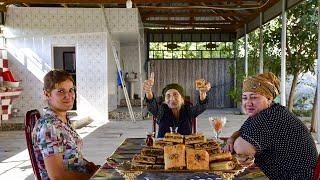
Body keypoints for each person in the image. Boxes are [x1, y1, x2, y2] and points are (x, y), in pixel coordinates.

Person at [223, 72, 318, 179]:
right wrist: (231, 139)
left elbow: (242, 149)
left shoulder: (271, 116)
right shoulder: (266, 112)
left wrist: (236, 142)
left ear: (269, 99)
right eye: (245, 98)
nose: (248, 102)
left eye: (254, 97)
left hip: (294, 176)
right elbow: (241, 132)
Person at [32, 70, 99, 180]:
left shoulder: (61, 120)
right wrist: (95, 177)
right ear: (47, 94)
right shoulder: (50, 127)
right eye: (61, 91)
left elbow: (70, 155)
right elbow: (58, 176)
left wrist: (87, 165)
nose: (68, 96)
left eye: (71, 90)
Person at [143, 72, 211, 138]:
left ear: (182, 99)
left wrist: (202, 93)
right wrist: (148, 91)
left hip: (185, 147)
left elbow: (200, 107)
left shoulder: (188, 110)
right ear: (165, 101)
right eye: (168, 96)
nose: (172, 99)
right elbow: (151, 105)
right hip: (163, 147)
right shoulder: (161, 111)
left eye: (175, 94)